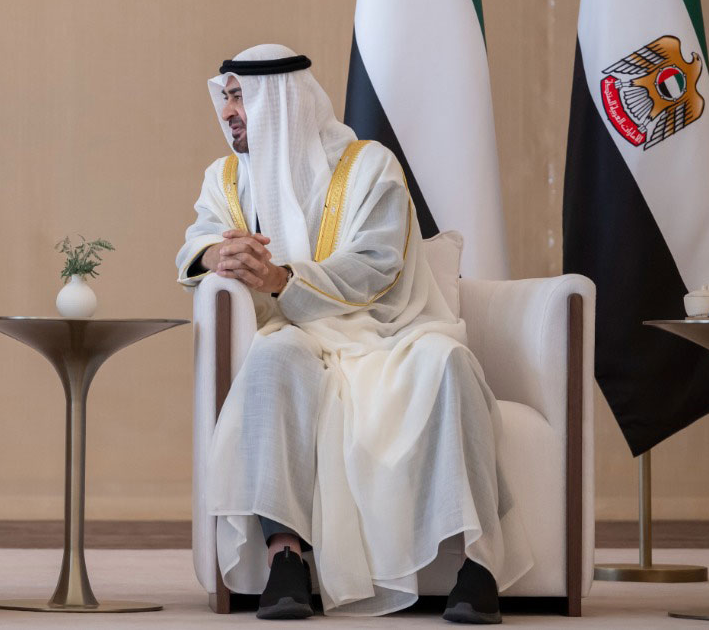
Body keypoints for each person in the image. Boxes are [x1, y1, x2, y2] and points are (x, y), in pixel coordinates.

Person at [176, 44, 530, 624]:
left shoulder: (370, 166)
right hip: (295, 331)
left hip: (388, 331)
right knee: (271, 360)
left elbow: (376, 263)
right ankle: (286, 559)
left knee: (450, 362)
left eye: (241, 97)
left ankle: (479, 564)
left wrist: (282, 277)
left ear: (281, 100)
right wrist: (219, 252)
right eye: (226, 97)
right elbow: (197, 240)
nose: (228, 111)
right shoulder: (228, 177)